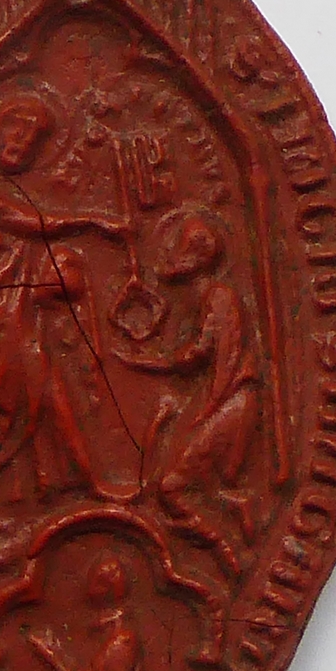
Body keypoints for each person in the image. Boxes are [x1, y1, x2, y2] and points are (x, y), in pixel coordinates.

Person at [0, 92, 130, 504]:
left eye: (32, 139)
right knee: (18, 406)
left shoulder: (4, 188)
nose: (21, 143)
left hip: (20, 313)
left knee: (49, 394)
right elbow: (32, 224)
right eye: (14, 131)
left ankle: (73, 481)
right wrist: (95, 222)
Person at [114, 209, 258, 575]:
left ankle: (227, 551)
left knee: (172, 488)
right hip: (226, 402)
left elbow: (195, 355)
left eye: (179, 251)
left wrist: (147, 362)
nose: (169, 258)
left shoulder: (219, 298)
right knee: (186, 480)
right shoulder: (212, 298)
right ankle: (234, 507)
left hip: (232, 403)